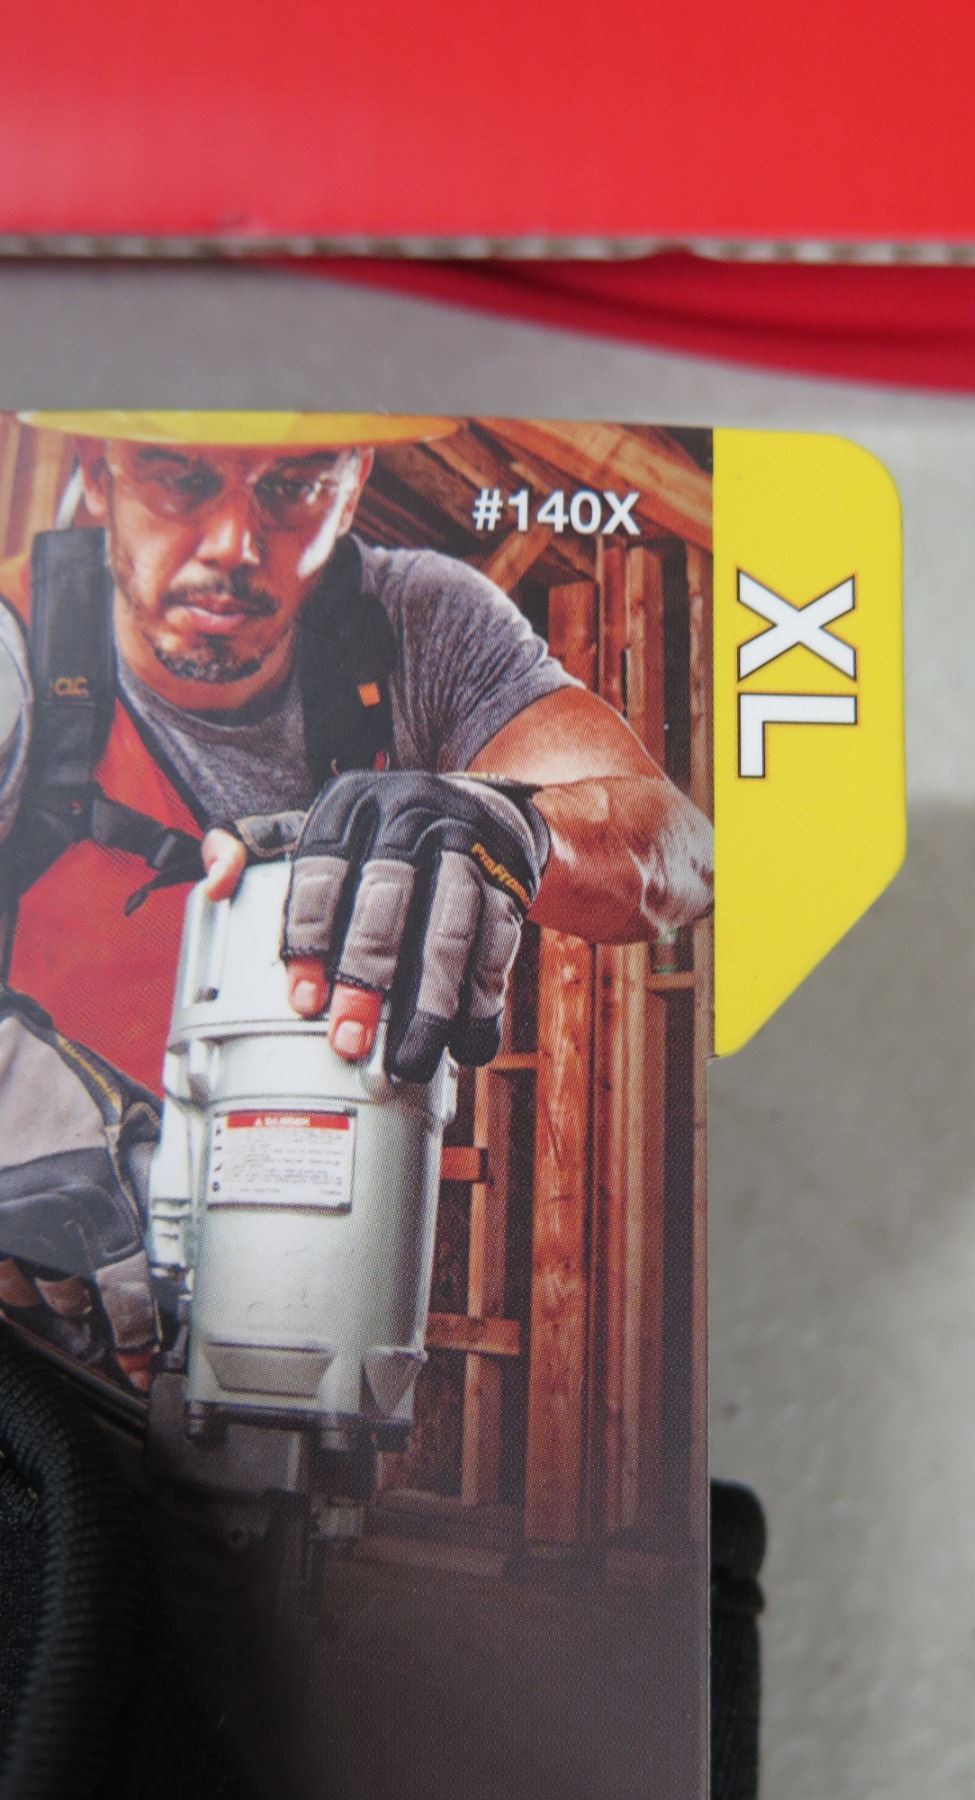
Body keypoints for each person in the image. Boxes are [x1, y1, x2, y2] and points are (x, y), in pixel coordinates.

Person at [0, 414, 712, 1386]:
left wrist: (520, 827)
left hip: (308, 1319)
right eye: (179, 478)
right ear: (97, 467)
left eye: (293, 487)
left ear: (354, 481)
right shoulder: (22, 646)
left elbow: (682, 851)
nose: (233, 545)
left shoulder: (420, 624)